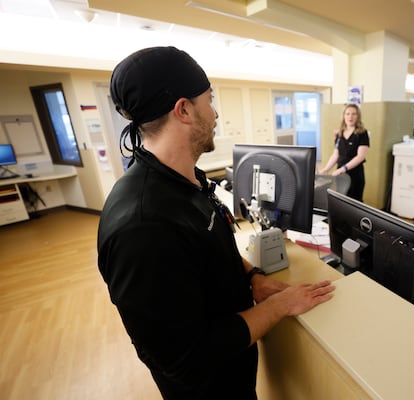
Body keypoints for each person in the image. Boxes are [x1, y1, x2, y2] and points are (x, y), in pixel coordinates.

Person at [97, 46, 335, 399]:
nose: (216, 112)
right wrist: (279, 306)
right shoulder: (143, 227)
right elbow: (186, 357)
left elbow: (211, 246)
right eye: (209, 99)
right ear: (184, 110)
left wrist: (252, 278)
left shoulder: (185, 179)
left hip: (237, 372)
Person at [319, 103, 370, 201]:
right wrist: (326, 169)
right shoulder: (339, 133)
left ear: (358, 116)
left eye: (354, 114)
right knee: (342, 200)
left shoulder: (362, 133)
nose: (350, 117)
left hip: (355, 174)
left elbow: (360, 157)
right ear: (343, 116)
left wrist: (343, 168)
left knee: (354, 202)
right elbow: (336, 154)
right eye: (347, 114)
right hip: (341, 175)